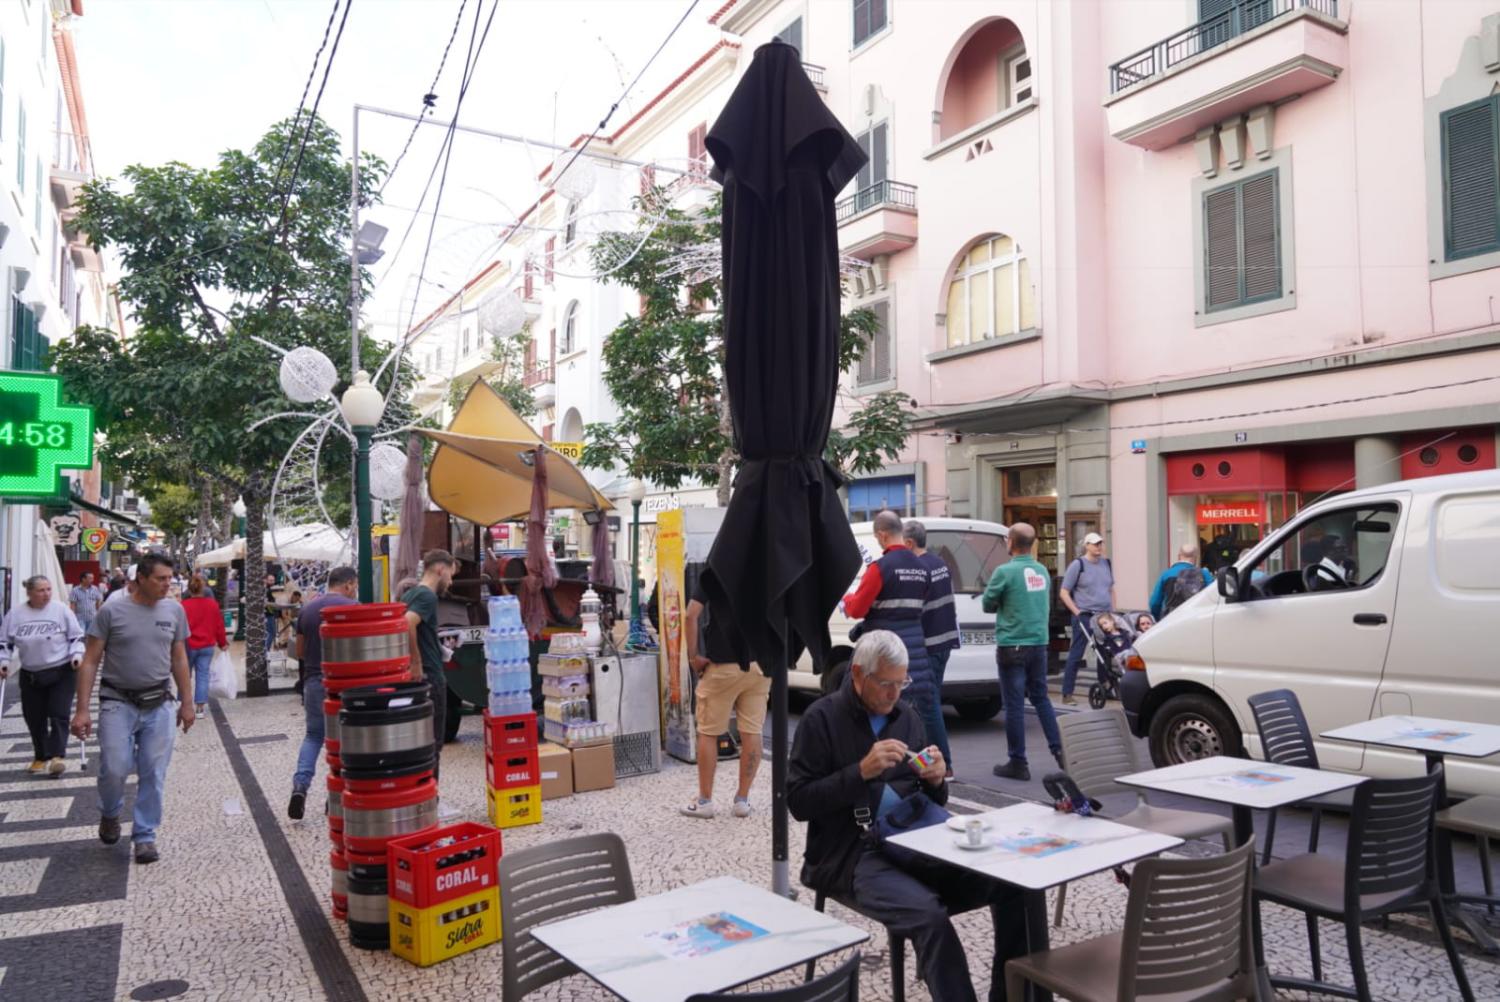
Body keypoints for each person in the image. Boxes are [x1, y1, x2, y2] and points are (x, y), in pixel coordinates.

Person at [788, 630, 1028, 1002]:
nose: (894, 693)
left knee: (1015, 885)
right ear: (857, 674)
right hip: (850, 853)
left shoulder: (906, 716)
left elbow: (930, 796)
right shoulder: (822, 719)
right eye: (886, 683)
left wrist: (935, 780)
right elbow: (799, 802)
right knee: (929, 917)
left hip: (912, 839)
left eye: (902, 682)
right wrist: (860, 772)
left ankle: (1013, 996)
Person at [71, 554, 193, 865]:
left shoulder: (174, 611)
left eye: (170, 578)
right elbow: (90, 661)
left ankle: (145, 836)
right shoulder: (112, 611)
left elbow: (179, 658)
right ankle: (110, 813)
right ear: (141, 578)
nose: (168, 584)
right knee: (115, 766)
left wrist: (187, 702)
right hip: (117, 701)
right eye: (161, 579)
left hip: (160, 703)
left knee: (154, 771)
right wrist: (82, 710)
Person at [841, 510, 937, 756]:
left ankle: (876, 761)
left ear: (883, 535)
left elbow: (858, 608)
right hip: (915, 653)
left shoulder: (880, 568)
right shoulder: (923, 567)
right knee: (911, 719)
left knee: (870, 708)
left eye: (876, 538)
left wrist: (848, 598)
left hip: (883, 653)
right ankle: (913, 768)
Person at [981, 523, 1064, 781]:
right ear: (1033, 543)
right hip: (1039, 643)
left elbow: (987, 604)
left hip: (1012, 644)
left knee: (1014, 705)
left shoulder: (1004, 572)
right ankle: (1061, 752)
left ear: (1010, 542)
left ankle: (1018, 762)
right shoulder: (1041, 571)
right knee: (1041, 698)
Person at [679, 581, 769, 819]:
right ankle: (742, 800)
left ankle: (705, 801)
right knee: (752, 731)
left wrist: (693, 657)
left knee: (708, 732)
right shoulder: (767, 564)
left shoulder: (718, 564)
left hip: (723, 664)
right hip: (760, 664)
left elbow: (690, 614)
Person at [289, 566, 359, 820]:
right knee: (344, 741)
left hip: (314, 682)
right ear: (349, 584)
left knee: (313, 736)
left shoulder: (307, 609)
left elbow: (299, 651)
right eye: (355, 586)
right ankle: (335, 797)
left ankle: (300, 786)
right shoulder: (354, 608)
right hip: (346, 684)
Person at [0, 576, 86, 775]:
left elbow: (76, 636)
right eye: (41, 590)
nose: (46, 594)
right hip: (31, 673)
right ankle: (41, 756)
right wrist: (4, 662)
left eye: (48, 589)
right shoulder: (16, 614)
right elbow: (5, 643)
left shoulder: (61, 610)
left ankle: (57, 756)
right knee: (34, 717)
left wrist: (77, 654)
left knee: (58, 713)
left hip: (61, 670)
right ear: (29, 592)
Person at [903, 519, 957, 773]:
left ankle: (944, 764)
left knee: (928, 704)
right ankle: (926, 759)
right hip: (944, 642)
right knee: (924, 703)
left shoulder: (918, 567)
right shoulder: (939, 563)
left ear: (910, 542)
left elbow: (914, 608)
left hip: (928, 645)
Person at [402, 550, 456, 780]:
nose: (451, 582)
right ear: (440, 569)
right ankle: (431, 796)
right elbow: (407, 623)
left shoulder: (410, 594)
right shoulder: (427, 596)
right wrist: (417, 662)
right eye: (451, 575)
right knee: (434, 743)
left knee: (421, 742)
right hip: (430, 676)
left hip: (423, 672)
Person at [1058, 531, 1116, 706]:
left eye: (1100, 543)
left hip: (1103, 615)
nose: (1099, 546)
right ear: (1087, 546)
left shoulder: (1106, 563)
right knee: (1077, 653)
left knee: (1104, 652)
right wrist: (1076, 611)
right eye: (1095, 544)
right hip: (1084, 614)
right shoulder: (1078, 565)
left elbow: (1111, 589)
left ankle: (1105, 687)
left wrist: (1112, 611)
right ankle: (1067, 693)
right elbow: (1064, 592)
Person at [181, 577, 229, 716]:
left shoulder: (183, 605)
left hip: (188, 645)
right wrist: (222, 643)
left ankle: (184, 704)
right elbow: (219, 626)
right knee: (203, 675)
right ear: (203, 589)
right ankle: (200, 709)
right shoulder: (212, 604)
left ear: (189, 589)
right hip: (207, 645)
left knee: (185, 675)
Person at [1149, 544, 1213, 620]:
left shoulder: (1166, 575)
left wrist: (1158, 619)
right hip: (1196, 619)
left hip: (1170, 620)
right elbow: (1213, 598)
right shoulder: (1204, 574)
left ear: (1179, 556)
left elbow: (1155, 603)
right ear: (1195, 557)